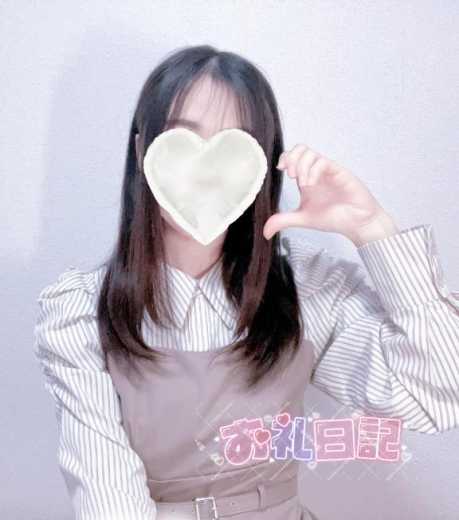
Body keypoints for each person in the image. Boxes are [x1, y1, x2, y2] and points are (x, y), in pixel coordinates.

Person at [33, 44, 459, 520]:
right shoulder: (82, 312)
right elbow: (109, 499)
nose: (205, 173)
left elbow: (436, 395)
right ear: (142, 150)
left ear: (261, 165)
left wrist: (372, 228)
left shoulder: (303, 287)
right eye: (182, 138)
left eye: (233, 146)